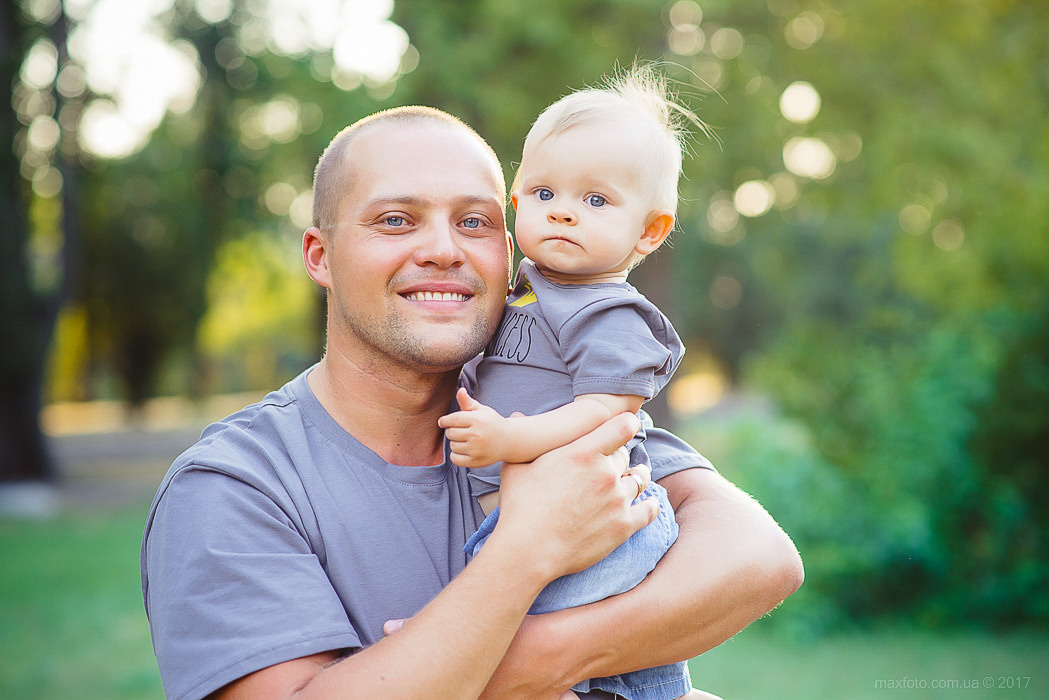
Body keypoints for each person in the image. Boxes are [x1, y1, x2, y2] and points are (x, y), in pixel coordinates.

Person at [140, 103, 803, 700]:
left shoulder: (549, 409)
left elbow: (758, 560)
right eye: (396, 220)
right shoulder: (236, 484)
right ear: (320, 255)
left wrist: (516, 664)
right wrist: (526, 551)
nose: (441, 249)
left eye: (474, 221)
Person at [438, 66, 713, 700]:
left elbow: (608, 409)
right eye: (543, 193)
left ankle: (424, 651)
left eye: (596, 201)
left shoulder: (607, 311)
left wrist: (511, 438)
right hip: (541, 520)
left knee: (524, 638)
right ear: (514, 202)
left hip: (597, 528)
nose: (562, 212)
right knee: (630, 677)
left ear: (649, 231)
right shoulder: (527, 286)